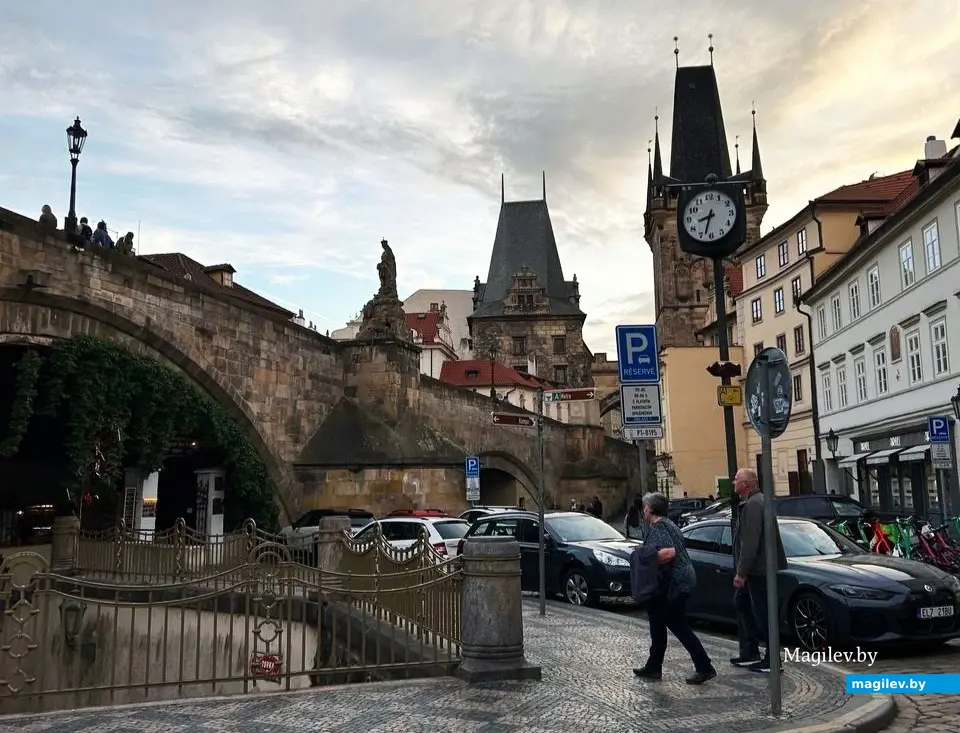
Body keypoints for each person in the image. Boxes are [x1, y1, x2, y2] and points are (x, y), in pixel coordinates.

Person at [633, 492, 716, 685]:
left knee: (672, 624)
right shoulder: (669, 524)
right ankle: (654, 666)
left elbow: (669, 552)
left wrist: (645, 559)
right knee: (662, 623)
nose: (643, 510)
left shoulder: (659, 526)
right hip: (678, 581)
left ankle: (703, 667)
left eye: (645, 507)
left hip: (672, 584)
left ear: (650, 509)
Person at [732, 468, 787, 673]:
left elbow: (750, 542)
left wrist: (741, 572)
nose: (733, 482)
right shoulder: (756, 502)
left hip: (759, 570)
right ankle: (750, 651)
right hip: (757, 568)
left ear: (746, 483)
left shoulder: (754, 504)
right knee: (742, 602)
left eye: (736, 479)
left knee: (763, 612)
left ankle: (772, 659)